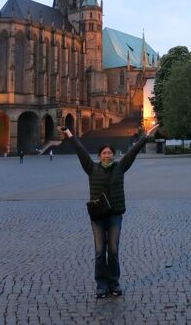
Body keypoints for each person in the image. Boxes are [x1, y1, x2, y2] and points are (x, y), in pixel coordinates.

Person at [60, 125, 155, 299]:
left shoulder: (120, 167)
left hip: (115, 215)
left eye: (109, 153)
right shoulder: (92, 168)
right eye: (104, 153)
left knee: (113, 250)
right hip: (97, 215)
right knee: (99, 251)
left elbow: (132, 153)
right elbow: (81, 151)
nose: (107, 155)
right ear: (99, 156)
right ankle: (101, 285)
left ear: (114, 154)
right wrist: (69, 134)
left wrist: (145, 137)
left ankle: (114, 283)